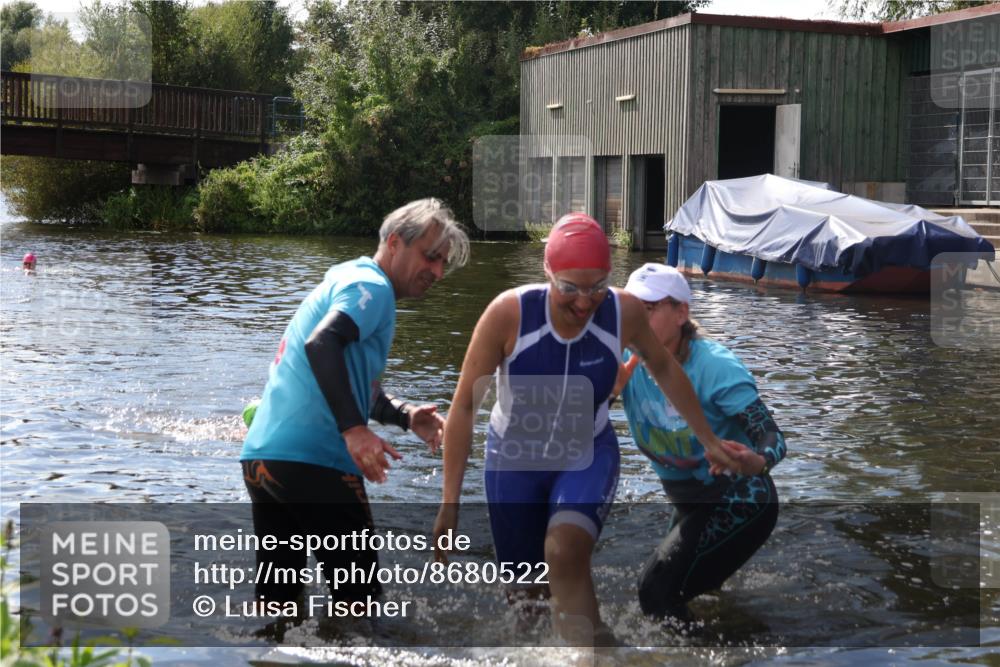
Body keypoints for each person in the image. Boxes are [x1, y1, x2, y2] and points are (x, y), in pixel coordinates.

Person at [433, 213, 741, 646]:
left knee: (564, 552)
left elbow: (666, 370)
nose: (584, 301)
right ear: (548, 273)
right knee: (527, 604)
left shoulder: (624, 312)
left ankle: (586, 659)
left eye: (597, 286)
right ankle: (603, 644)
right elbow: (464, 405)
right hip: (514, 462)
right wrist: (450, 502)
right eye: (570, 288)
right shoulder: (509, 314)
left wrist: (708, 439)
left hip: (587, 453)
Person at [240, 198, 470, 623]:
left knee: (280, 614)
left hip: (264, 461)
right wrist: (353, 430)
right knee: (360, 615)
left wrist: (402, 414)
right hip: (316, 462)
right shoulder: (375, 288)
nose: (437, 273)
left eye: (443, 264)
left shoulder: (349, 277)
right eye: (430, 257)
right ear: (396, 242)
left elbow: (347, 379)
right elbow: (321, 344)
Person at [615, 262, 786, 627]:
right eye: (632, 310)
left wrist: (756, 461)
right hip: (692, 505)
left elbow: (773, 437)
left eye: (649, 310)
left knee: (655, 592)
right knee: (688, 594)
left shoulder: (716, 368)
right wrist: (603, 392)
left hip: (742, 501)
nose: (636, 321)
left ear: (681, 313)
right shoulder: (621, 365)